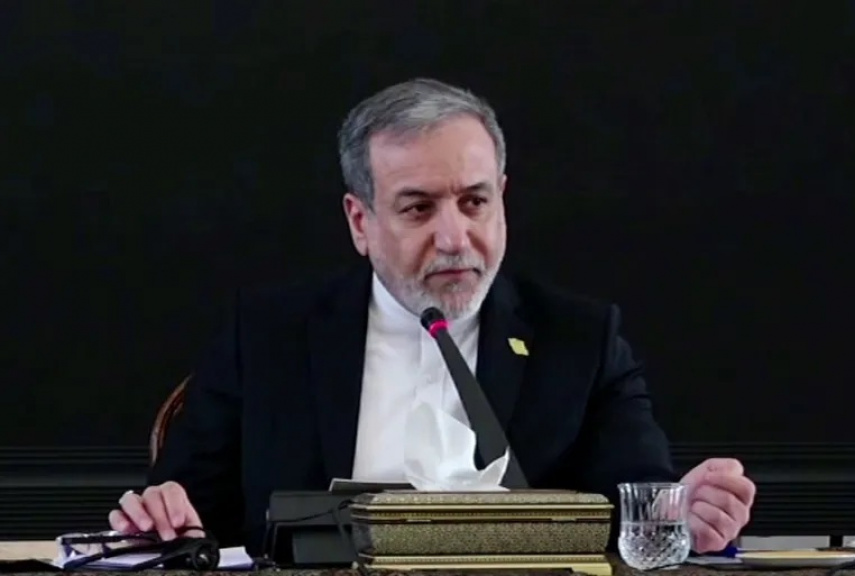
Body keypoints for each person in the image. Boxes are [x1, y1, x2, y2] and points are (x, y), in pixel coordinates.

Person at [108, 78, 756, 555]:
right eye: (418, 208)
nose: (454, 238)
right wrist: (162, 520)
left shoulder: (579, 340)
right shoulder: (269, 336)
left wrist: (688, 513)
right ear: (360, 222)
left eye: (474, 202)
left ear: (502, 199)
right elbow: (184, 513)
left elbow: (643, 504)